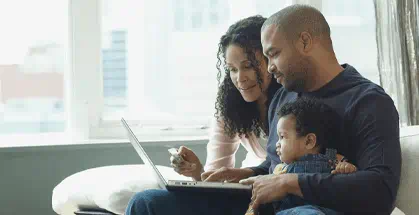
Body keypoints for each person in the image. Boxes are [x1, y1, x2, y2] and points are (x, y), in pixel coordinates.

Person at [126, 4, 401, 215]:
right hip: (261, 205)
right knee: (147, 203)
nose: (268, 67)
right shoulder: (283, 97)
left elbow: (380, 189)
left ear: (305, 42)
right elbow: (276, 166)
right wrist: (247, 174)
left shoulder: (368, 102)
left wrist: (291, 183)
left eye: (274, 54)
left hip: (311, 209)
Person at [170, 15, 281, 182]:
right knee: (146, 199)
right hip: (246, 186)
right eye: (233, 69)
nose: (240, 78)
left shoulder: (291, 99)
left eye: (248, 66)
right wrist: (197, 171)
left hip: (268, 184)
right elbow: (215, 175)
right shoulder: (231, 105)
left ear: (270, 59)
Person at [245, 97, 357, 215]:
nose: (277, 144)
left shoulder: (331, 157)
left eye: (282, 137)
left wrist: (346, 167)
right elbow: (260, 199)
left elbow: (349, 173)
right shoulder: (280, 170)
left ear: (309, 141)